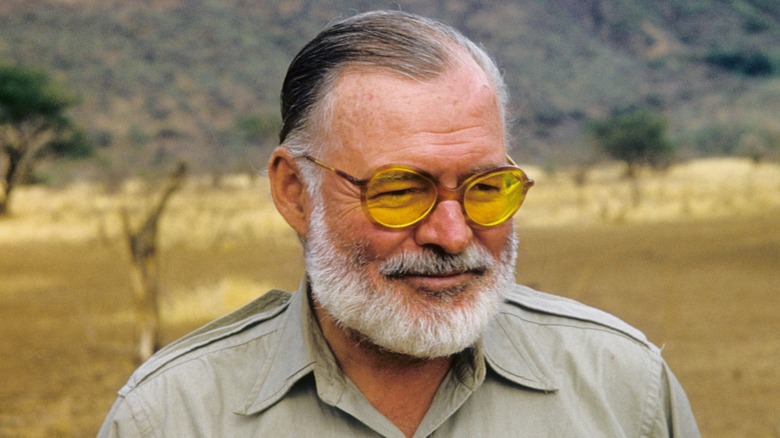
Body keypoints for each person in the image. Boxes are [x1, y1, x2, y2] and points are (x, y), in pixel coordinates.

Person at [99, 10, 699, 437]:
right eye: (400, 190)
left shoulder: (624, 388)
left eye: (485, 188)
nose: (453, 234)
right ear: (294, 192)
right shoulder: (172, 417)